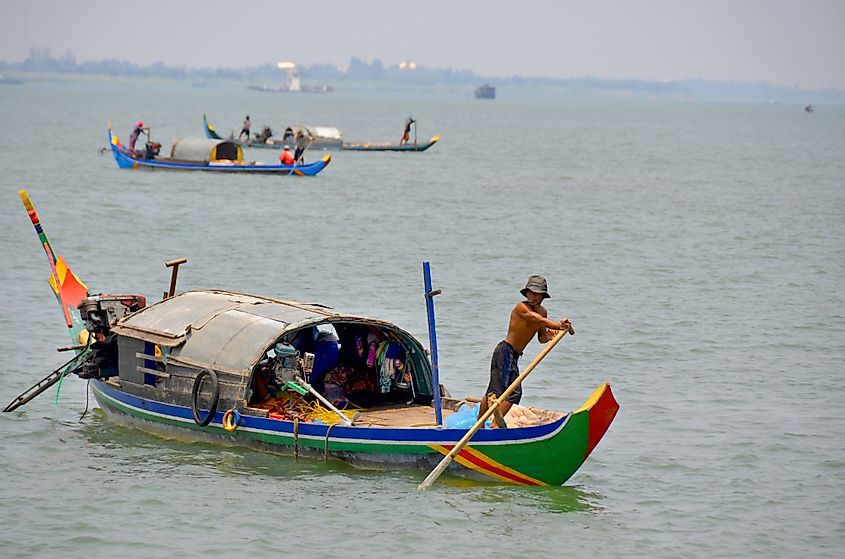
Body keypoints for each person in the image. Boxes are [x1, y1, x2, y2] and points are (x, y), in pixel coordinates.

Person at [477, 275, 572, 427]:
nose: (533, 297)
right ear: (526, 293)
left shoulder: (543, 312)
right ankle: (484, 425)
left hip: (514, 356)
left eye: (537, 294)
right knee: (499, 392)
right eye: (531, 293)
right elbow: (536, 320)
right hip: (504, 352)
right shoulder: (521, 307)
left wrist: (551, 335)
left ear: (543, 296)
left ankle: (490, 425)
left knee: (506, 392)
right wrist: (559, 325)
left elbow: (541, 336)